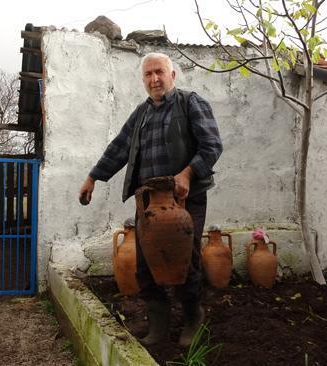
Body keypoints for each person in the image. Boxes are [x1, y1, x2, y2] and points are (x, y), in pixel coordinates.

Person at [78, 52, 222, 347]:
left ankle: (194, 318)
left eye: (159, 72)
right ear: (143, 79)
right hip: (149, 205)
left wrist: (187, 174)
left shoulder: (190, 102)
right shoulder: (141, 113)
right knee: (145, 266)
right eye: (148, 74)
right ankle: (158, 326)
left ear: (172, 75)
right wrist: (93, 177)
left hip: (185, 200)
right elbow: (119, 147)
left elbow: (212, 145)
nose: (154, 79)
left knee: (186, 262)